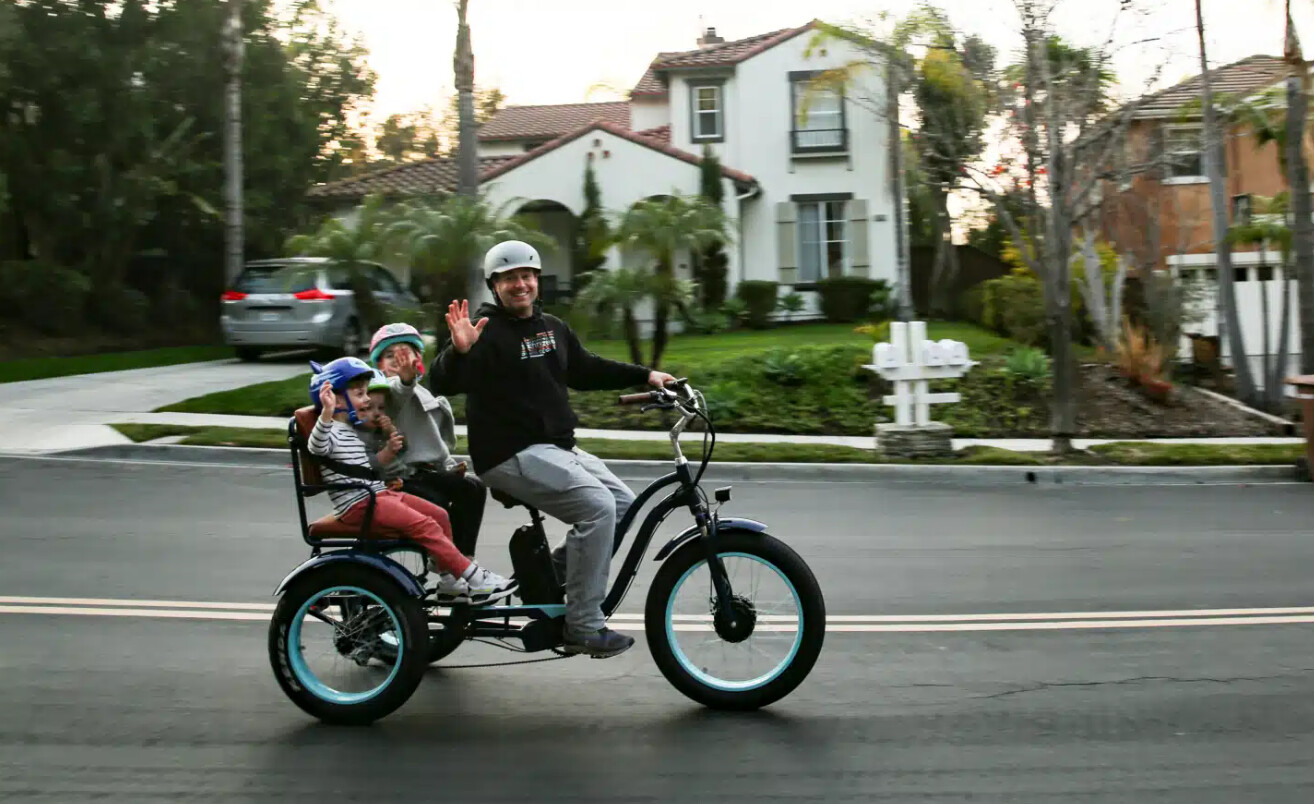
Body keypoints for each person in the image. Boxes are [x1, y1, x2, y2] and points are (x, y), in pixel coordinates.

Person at [428, 240, 676, 658]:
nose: (520, 284)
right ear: (495, 285)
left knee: (622, 504)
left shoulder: (553, 329)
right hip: (509, 453)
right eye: (509, 278)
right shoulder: (486, 333)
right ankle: (583, 625)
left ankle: (545, 581)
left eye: (527, 275)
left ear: (537, 280)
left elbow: (587, 368)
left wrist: (647, 375)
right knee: (597, 507)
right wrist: (458, 351)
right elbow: (442, 382)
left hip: (555, 448)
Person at [305, 356, 516, 605]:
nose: (366, 400)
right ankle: (475, 578)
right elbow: (316, 448)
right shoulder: (329, 431)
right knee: (425, 525)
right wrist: (327, 414)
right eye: (360, 394)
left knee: (440, 515)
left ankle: (450, 582)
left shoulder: (350, 429)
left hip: (377, 496)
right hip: (360, 505)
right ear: (337, 399)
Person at [367, 323, 487, 557]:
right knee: (437, 502)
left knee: (474, 488)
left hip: (427, 473)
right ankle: (448, 565)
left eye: (404, 354)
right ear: (378, 365)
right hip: (401, 478)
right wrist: (405, 380)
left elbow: (435, 442)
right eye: (389, 355)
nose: (397, 360)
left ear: (417, 359)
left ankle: (463, 559)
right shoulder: (382, 393)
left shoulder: (423, 392)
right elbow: (400, 391)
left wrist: (450, 467)